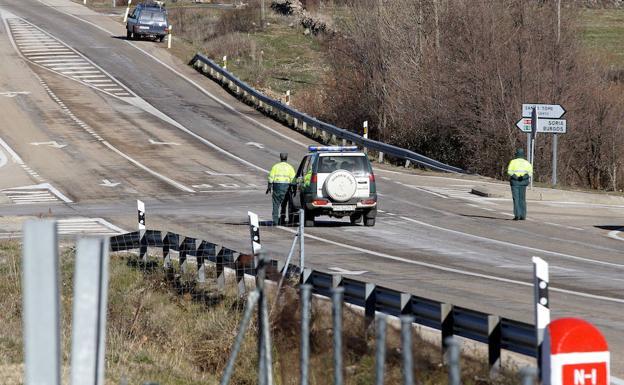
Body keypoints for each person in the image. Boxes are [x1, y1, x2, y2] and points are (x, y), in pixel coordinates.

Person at [266, 153, 296, 225]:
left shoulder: (275, 167)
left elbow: (270, 177)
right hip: (286, 187)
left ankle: (275, 221)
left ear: (280, 157)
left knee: (276, 204)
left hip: (277, 186)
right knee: (284, 204)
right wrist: (294, 189)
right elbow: (293, 179)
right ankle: (282, 219)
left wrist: (269, 187)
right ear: (287, 158)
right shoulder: (290, 167)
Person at [507, 148, 533, 220]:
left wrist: (516, 177)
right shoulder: (527, 163)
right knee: (522, 199)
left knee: (516, 199)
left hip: (515, 182)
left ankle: (517, 215)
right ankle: (523, 215)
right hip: (523, 182)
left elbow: (509, 172)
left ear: (516, 154)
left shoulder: (513, 162)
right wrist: (523, 177)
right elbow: (530, 173)